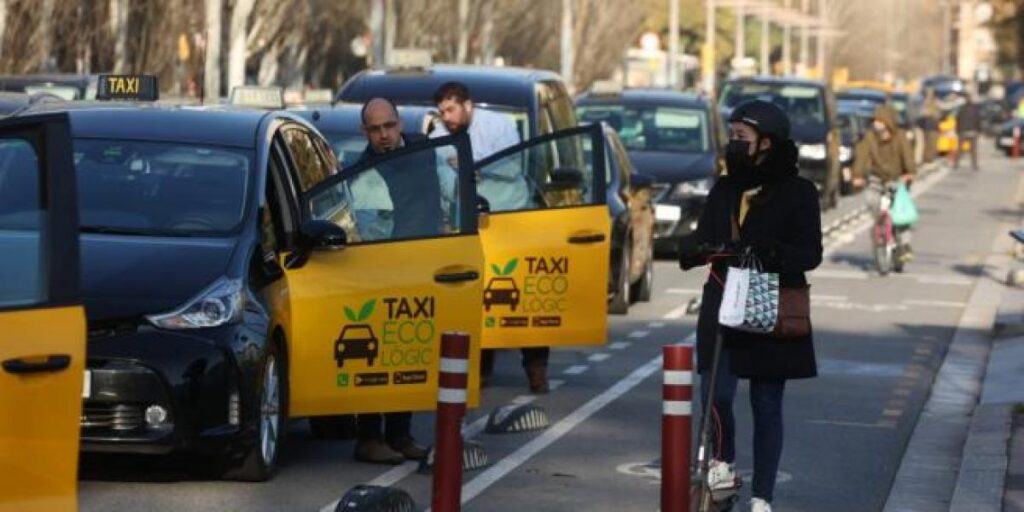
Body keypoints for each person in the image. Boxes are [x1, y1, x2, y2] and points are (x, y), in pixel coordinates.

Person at [678, 100, 822, 512]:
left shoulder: (799, 192)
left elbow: (810, 253)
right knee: (716, 394)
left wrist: (771, 250)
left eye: (742, 136)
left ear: (766, 142)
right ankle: (723, 467)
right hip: (722, 297)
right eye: (733, 136)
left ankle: (762, 497)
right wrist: (696, 249)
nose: (734, 143)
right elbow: (701, 239)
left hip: (769, 300)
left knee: (766, 402)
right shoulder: (725, 188)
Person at [429, 81, 550, 394]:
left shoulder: (499, 125)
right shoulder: (439, 137)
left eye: (451, 109)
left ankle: (536, 368)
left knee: (523, 300)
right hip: (473, 226)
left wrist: (474, 168)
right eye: (442, 111)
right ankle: (480, 371)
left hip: (512, 220)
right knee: (480, 300)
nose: (447, 117)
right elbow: (442, 180)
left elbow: (513, 165)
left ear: (468, 105)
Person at [349, 97, 434, 464]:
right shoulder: (361, 175)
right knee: (376, 357)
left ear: (399, 123)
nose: (384, 135)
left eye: (389, 126)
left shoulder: (428, 152)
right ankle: (369, 438)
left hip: (421, 267)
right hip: (380, 275)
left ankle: (400, 435)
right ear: (364, 132)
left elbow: (451, 189)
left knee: (407, 352)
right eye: (375, 129)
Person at [851, 104, 917, 262]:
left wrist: (909, 173)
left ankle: (904, 245)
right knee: (871, 199)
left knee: (901, 214)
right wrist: (857, 175)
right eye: (875, 121)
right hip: (876, 178)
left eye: (879, 121)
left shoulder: (900, 136)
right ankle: (880, 225)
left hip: (897, 178)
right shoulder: (870, 138)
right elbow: (862, 156)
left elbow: (907, 156)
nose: (876, 124)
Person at [955, 94, 982, 171]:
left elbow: (958, 120)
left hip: (964, 131)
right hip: (971, 131)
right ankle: (974, 165)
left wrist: (958, 130)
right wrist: (978, 130)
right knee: (973, 150)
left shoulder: (962, 109)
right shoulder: (975, 109)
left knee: (960, 149)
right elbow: (978, 120)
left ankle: (956, 164)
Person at [918, 88, 940, 164]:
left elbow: (941, 109)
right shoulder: (925, 102)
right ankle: (927, 159)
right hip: (928, 126)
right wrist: (930, 112)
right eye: (929, 93)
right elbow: (922, 113)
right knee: (928, 143)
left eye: (931, 93)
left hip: (934, 126)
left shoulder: (936, 101)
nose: (930, 95)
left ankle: (930, 158)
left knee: (933, 143)